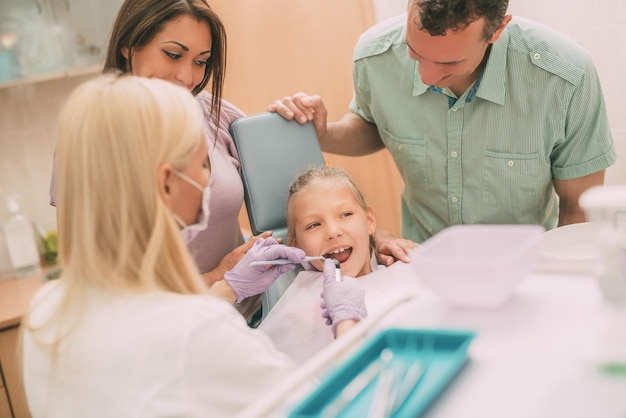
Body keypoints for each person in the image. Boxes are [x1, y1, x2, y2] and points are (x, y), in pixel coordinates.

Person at [22, 74, 367, 417]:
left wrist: (226, 288)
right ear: (167, 183)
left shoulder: (47, 311)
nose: (211, 179)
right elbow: (345, 409)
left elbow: (149, 334)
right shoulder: (199, 333)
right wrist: (348, 326)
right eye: (204, 163)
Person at [48, 0, 415, 320]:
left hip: (252, 317)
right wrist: (218, 279)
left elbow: (317, 198)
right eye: (173, 55)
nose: (186, 77)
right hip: (172, 329)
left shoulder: (215, 116)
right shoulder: (88, 143)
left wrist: (369, 234)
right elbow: (97, 288)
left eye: (201, 61)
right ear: (129, 45)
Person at [268, 0, 617, 245]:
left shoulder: (565, 77)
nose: (427, 76)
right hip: (421, 261)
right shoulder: (374, 56)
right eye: (415, 53)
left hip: (528, 268)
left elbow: (578, 207)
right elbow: (374, 126)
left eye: (449, 63)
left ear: (497, 30)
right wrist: (325, 133)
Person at [259, 167, 419, 364]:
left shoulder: (406, 270)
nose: (333, 232)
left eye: (345, 214)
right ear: (296, 245)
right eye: (313, 225)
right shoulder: (299, 311)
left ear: (369, 221)